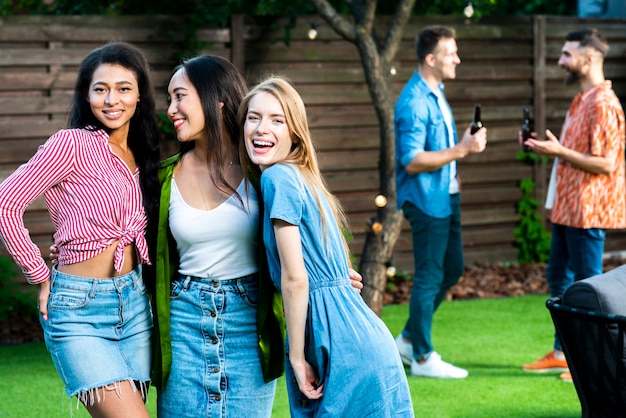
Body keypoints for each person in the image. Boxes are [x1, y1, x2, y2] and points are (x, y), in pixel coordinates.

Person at [152, 55, 364, 417]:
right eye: (169, 98)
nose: (171, 109)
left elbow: (310, 214)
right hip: (184, 323)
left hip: (249, 327)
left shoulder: (263, 168)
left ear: (214, 100)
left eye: (179, 96)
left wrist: (334, 269)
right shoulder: (163, 178)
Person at [0, 41, 160, 417]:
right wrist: (39, 274)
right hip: (78, 310)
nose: (111, 99)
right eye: (100, 89)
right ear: (86, 95)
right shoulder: (70, 144)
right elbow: (6, 202)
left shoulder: (144, 157)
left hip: (136, 306)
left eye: (123, 88)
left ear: (139, 96)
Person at [240, 75, 414, 417]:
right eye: (253, 117)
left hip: (336, 341)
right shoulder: (302, 178)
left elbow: (295, 278)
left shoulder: (278, 178)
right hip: (360, 337)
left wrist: (296, 357)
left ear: (295, 133)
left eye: (277, 120)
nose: (262, 129)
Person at [521, 28, 626, 382]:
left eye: (567, 54)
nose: (561, 61)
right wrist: (540, 147)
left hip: (589, 211)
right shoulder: (581, 101)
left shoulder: (604, 105)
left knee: (589, 288)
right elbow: (570, 156)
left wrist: (559, 151)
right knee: (559, 279)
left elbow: (607, 164)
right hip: (567, 209)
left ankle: (595, 361)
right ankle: (564, 352)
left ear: (590, 58)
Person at [393, 25, 487, 379]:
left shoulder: (436, 91)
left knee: (452, 269)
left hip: (446, 194)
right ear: (431, 59)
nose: (457, 59)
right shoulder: (414, 102)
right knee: (430, 276)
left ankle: (407, 338)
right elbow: (412, 160)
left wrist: (458, 159)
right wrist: (462, 149)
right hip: (425, 200)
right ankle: (421, 357)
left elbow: (436, 152)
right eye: (451, 53)